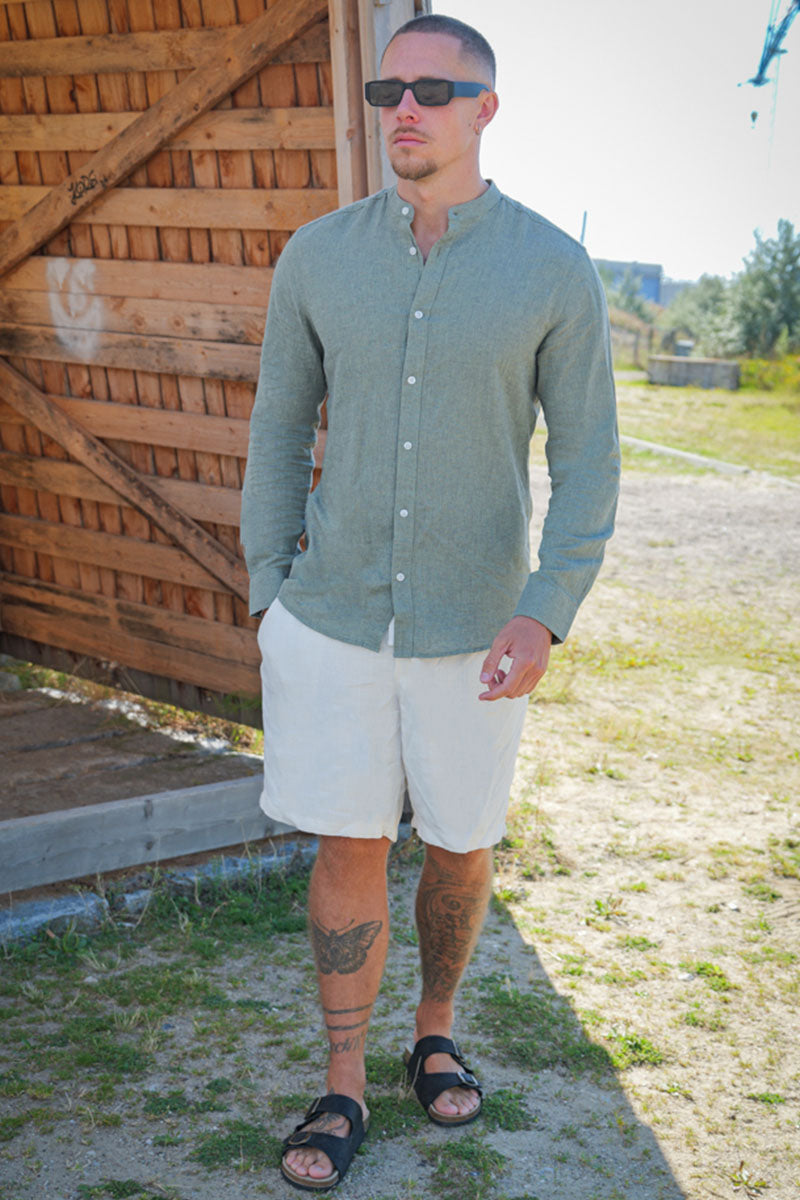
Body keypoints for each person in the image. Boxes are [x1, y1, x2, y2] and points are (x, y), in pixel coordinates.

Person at [240, 12, 619, 1192]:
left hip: (477, 626)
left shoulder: (550, 268)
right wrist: (267, 592)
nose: (403, 108)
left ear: (482, 109)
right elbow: (277, 428)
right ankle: (343, 1079)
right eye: (387, 90)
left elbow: (589, 460)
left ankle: (433, 1030)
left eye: (431, 90)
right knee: (348, 841)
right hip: (331, 613)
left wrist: (545, 609)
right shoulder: (315, 257)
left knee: (458, 844)